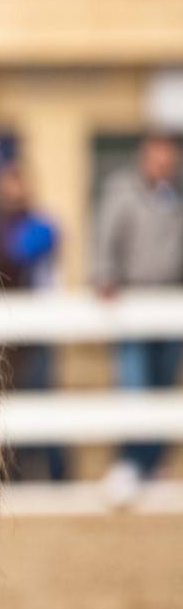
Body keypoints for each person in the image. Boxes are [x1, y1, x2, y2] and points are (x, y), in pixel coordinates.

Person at [92, 132, 183, 505]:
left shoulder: (176, 196)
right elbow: (104, 238)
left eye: (169, 156)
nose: (163, 162)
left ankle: (153, 464)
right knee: (134, 383)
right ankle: (130, 464)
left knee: (163, 384)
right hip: (132, 301)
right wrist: (104, 275)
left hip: (170, 303)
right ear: (145, 156)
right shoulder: (122, 191)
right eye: (157, 155)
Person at [0, 160, 64, 481]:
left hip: (34, 333)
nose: (12, 191)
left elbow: (19, 253)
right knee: (1, 401)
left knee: (42, 399)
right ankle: (5, 476)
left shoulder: (42, 226)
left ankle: (57, 475)